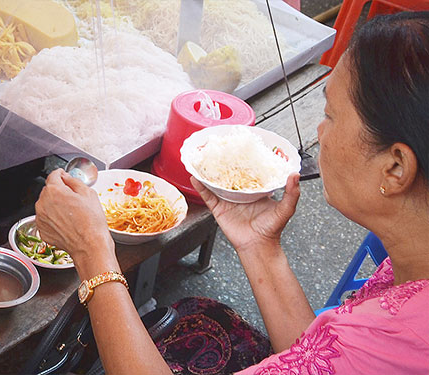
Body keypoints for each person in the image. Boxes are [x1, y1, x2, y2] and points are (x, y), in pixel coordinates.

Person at [35, 11, 429, 375]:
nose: (320, 133)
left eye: (330, 115)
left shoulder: (395, 342)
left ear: (396, 167)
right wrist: (261, 246)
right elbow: (318, 357)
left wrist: (92, 251)